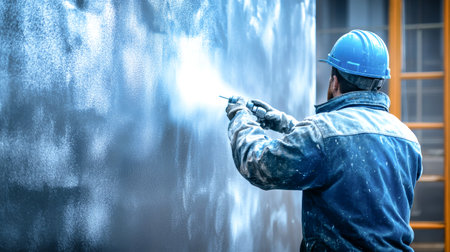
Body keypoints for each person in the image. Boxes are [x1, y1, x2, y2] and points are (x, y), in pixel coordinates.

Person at [225, 30, 423, 251]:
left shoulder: (322, 134)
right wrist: (285, 123)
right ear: (379, 83)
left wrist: (240, 117)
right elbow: (348, 155)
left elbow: (259, 165)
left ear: (334, 81)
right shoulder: (407, 139)